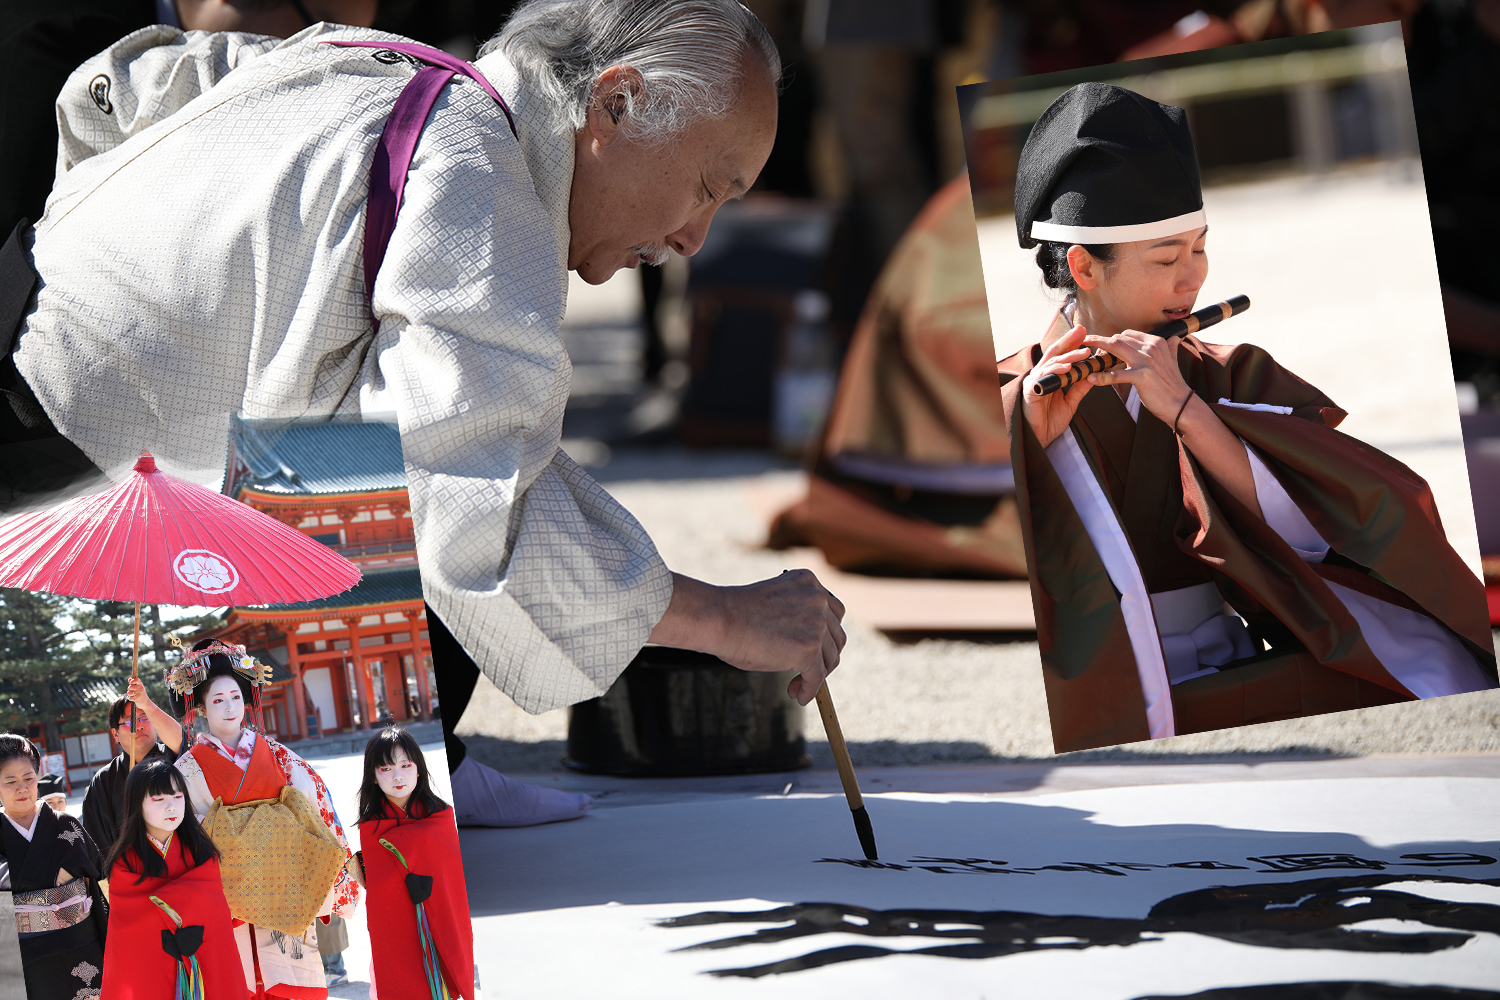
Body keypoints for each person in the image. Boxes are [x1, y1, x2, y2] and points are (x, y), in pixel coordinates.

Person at [5, 0, 847, 819]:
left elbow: (119, 87)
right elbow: (469, 526)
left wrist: (99, 269)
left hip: (19, 318)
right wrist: (725, 618)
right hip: (49, 473)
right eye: (706, 187)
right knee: (431, 581)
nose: (694, 238)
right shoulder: (483, 186)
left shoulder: (372, 62)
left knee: (375, 480)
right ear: (615, 103)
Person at [999, 82, 1498, 753]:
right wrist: (1029, 433)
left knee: (1435, 671)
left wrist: (1187, 412)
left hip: (1227, 664)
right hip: (1096, 685)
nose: (1193, 280)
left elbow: (1342, 522)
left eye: (1200, 248)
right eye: (1168, 258)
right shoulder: (1014, 389)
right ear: (1085, 266)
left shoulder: (1228, 374)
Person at [169, 638, 360, 999]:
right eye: (218, 700)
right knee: (237, 980)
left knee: (289, 981)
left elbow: (312, 806)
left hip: (282, 879)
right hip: (230, 886)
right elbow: (181, 824)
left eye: (236, 697)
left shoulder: (276, 754)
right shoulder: (188, 768)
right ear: (201, 709)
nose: (229, 707)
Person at [345, 727, 472, 1000]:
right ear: (374, 777)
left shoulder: (441, 817)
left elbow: (450, 880)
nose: (398, 776)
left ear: (418, 769)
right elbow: (382, 887)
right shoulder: (371, 827)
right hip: (394, 923)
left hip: (440, 914)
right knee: (399, 977)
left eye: (405, 765)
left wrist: (401, 842)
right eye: (386, 769)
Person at [99, 758, 241, 1000]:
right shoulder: (125, 864)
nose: (172, 807)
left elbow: (216, 917)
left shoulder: (201, 853)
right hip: (152, 967)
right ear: (137, 804)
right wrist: (186, 905)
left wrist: (175, 909)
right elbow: (129, 937)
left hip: (203, 958)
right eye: (158, 799)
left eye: (177, 797)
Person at [0, 732, 109, 998]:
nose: (22, 788)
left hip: (83, 947)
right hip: (26, 961)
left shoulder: (66, 825)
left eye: (28, 778)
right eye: (10, 781)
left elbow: (101, 880)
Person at [82, 678, 187, 856]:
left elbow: (182, 741)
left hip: (179, 859)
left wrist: (146, 703)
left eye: (144, 718)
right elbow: (96, 838)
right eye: (129, 722)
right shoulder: (104, 780)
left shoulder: (172, 757)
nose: (138, 726)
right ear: (115, 733)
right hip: (129, 870)